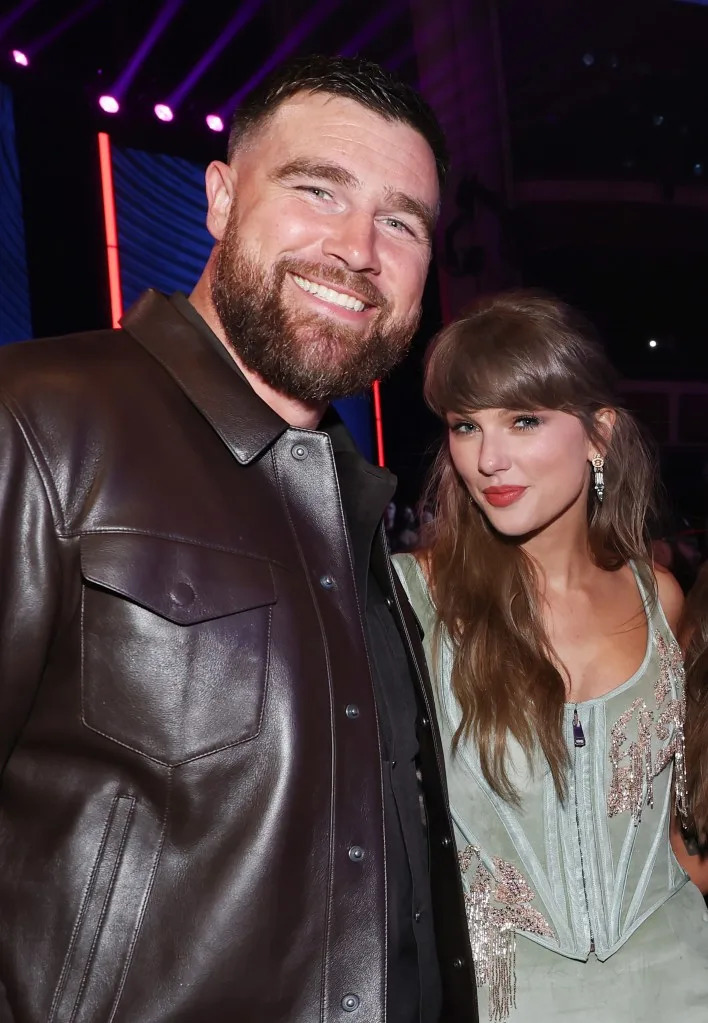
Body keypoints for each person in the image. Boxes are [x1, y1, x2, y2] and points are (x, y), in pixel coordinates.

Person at [0, 56, 477, 1023]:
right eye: (317, 190)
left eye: (401, 221)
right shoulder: (37, 420)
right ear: (219, 198)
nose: (357, 250)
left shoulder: (350, 499)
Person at [393, 290, 708, 1021]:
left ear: (599, 435)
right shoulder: (416, 599)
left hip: (682, 981)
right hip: (508, 998)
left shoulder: (658, 595)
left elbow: (673, 824)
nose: (488, 457)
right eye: (465, 425)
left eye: (523, 420)